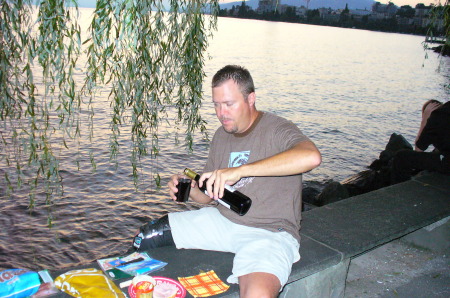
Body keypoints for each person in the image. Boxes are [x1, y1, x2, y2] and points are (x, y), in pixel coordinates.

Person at [133, 65, 321, 297]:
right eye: (216, 104)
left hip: (269, 232)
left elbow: (311, 156)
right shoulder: (221, 135)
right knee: (148, 235)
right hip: (222, 221)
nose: (221, 113)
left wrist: (240, 171)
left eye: (229, 104)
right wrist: (191, 189)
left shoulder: (277, 128)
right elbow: (207, 197)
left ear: (250, 99)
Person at [391, 99, 450, 184]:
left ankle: (400, 191)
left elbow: (419, 148)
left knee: (401, 156)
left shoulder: (438, 116)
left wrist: (425, 120)